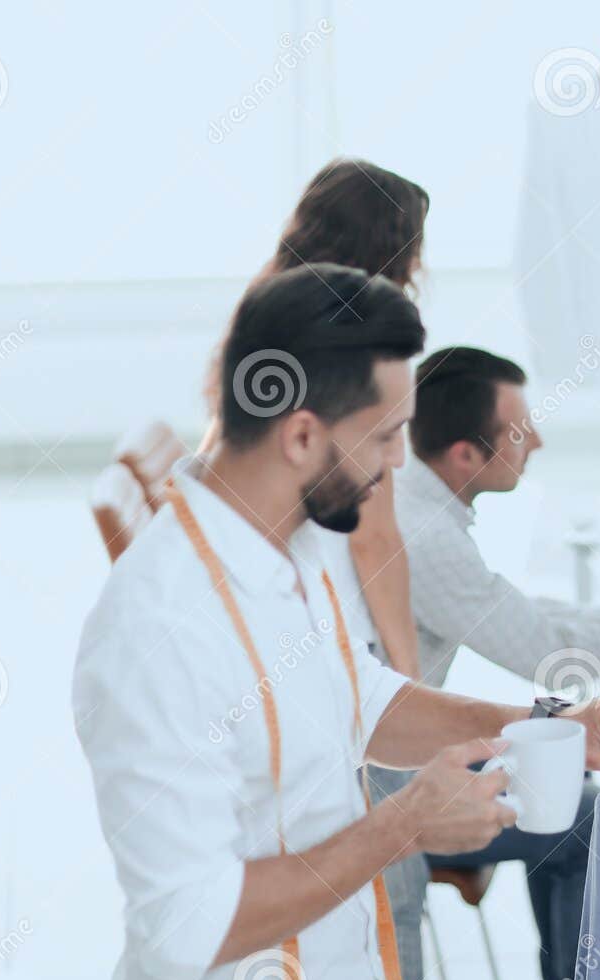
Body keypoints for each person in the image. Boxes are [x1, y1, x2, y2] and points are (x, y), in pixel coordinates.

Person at [73, 264, 600, 980]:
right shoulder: (159, 626)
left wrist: (541, 726)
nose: (396, 464)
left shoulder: (299, 544)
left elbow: (364, 699)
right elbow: (188, 927)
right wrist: (403, 824)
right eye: (386, 437)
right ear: (302, 433)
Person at [369, 345, 600, 980]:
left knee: (572, 807)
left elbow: (525, 617)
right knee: (587, 823)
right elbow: (553, 653)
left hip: (390, 756)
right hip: (383, 784)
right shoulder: (425, 536)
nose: (541, 440)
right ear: (467, 454)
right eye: (521, 431)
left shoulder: (411, 502)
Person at [200, 157, 429, 681]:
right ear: (389, 254)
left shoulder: (264, 316)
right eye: (413, 252)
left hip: (264, 606)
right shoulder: (362, 353)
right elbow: (375, 539)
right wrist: (410, 674)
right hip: (332, 629)